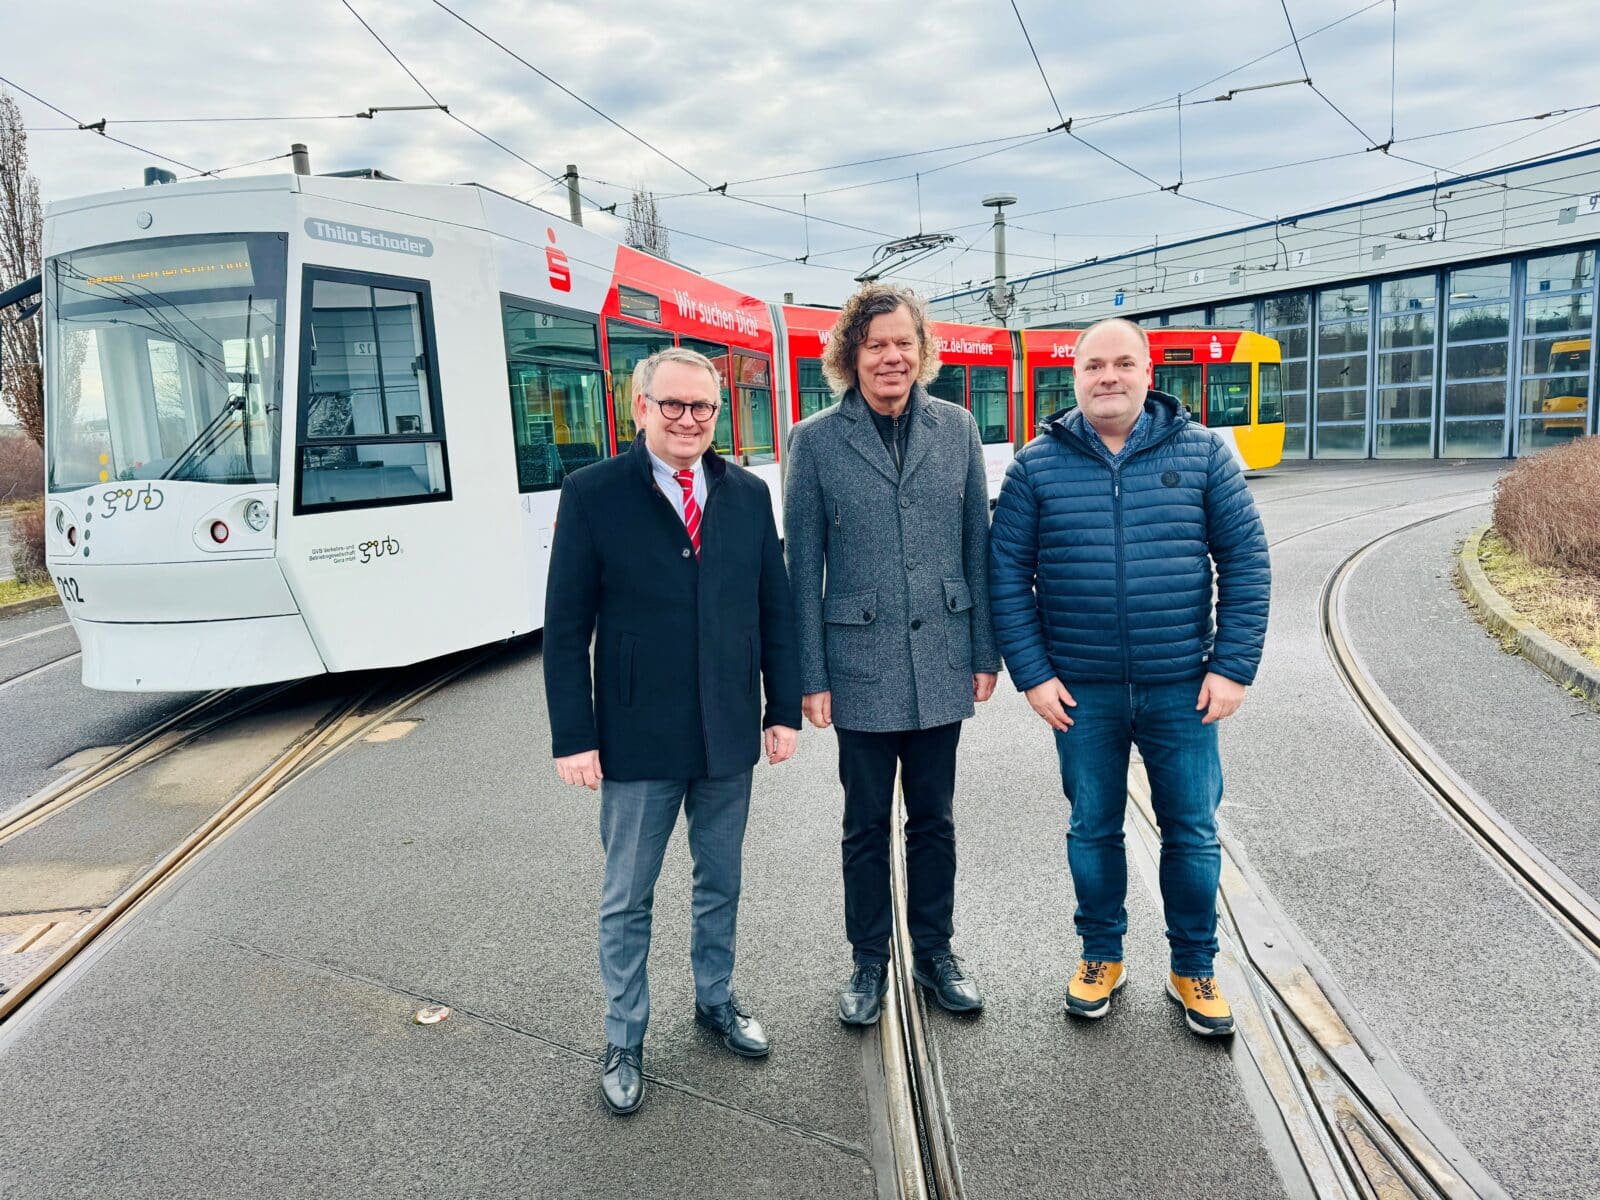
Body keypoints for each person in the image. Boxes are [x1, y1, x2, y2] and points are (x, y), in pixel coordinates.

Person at [988, 317, 1269, 1038]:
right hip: (1081, 693)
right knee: (1092, 829)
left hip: (1184, 687)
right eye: (1093, 365)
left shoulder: (1204, 454)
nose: (1107, 376)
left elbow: (1246, 564)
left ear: (1149, 373)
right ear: (1073, 376)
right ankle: (1100, 956)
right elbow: (1005, 577)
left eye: (1122, 363)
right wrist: (1034, 676)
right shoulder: (1036, 466)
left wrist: (1232, 667)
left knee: (1193, 833)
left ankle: (1193, 965)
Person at [544, 347, 801, 1114]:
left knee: (720, 880)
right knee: (627, 896)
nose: (689, 421)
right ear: (640, 408)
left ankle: (715, 1001)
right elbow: (565, 629)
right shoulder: (593, 495)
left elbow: (775, 611)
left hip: (727, 734)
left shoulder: (749, 494)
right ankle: (625, 1034)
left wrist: (780, 710)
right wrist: (573, 735)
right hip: (635, 736)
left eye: (703, 409)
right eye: (673, 406)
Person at [784, 283, 999, 1026]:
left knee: (934, 820)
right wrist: (808, 676)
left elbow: (979, 544)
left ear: (921, 350)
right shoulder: (813, 441)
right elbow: (800, 565)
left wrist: (985, 652)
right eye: (875, 344)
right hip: (858, 665)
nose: (891, 356)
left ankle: (936, 953)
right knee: (864, 823)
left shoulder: (958, 427)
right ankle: (869, 961)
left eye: (903, 342)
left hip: (943, 655)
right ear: (851, 355)